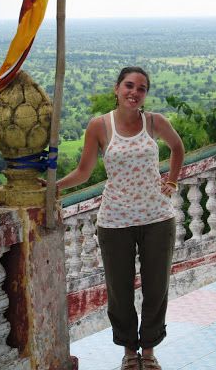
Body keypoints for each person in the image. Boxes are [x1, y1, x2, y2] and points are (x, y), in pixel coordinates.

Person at [56, 66, 184, 370]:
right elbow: (84, 171)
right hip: (115, 221)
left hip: (157, 218)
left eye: (141, 88)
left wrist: (172, 181)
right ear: (117, 89)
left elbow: (177, 148)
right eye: (129, 85)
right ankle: (129, 351)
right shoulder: (99, 126)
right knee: (119, 289)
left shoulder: (155, 122)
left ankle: (149, 351)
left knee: (156, 287)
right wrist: (53, 187)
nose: (134, 93)